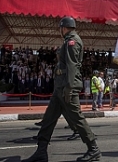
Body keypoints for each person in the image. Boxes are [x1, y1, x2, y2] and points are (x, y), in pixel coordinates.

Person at [22, 17, 100, 162]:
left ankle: (93, 148)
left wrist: (69, 88)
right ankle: (41, 151)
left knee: (77, 118)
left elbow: (71, 66)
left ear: (64, 27)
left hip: (67, 87)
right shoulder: (68, 41)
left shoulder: (72, 41)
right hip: (60, 87)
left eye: (60, 28)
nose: (60, 31)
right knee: (48, 119)